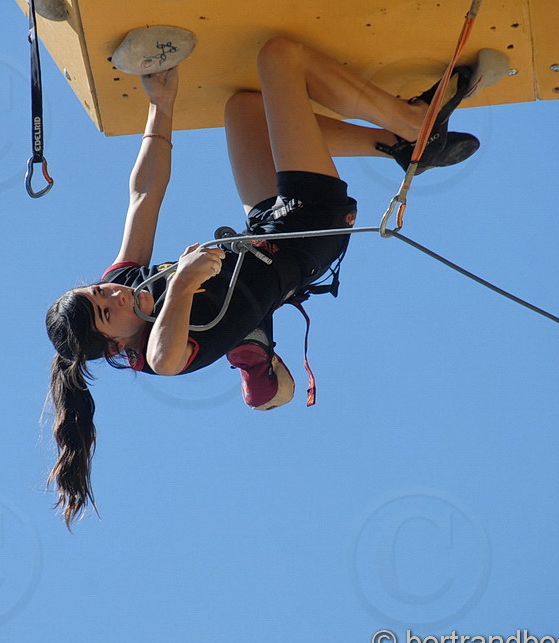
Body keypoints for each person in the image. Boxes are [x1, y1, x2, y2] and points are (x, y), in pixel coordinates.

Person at [45, 37, 478, 527]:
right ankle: (413, 124)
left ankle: (396, 144)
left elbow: (144, 195)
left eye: (98, 291)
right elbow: (165, 360)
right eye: (107, 311)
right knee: (279, 58)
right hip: (307, 233)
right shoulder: (157, 352)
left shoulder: (126, 281)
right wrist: (183, 284)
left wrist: (160, 106)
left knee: (244, 109)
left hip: (267, 224)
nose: (116, 294)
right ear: (114, 344)